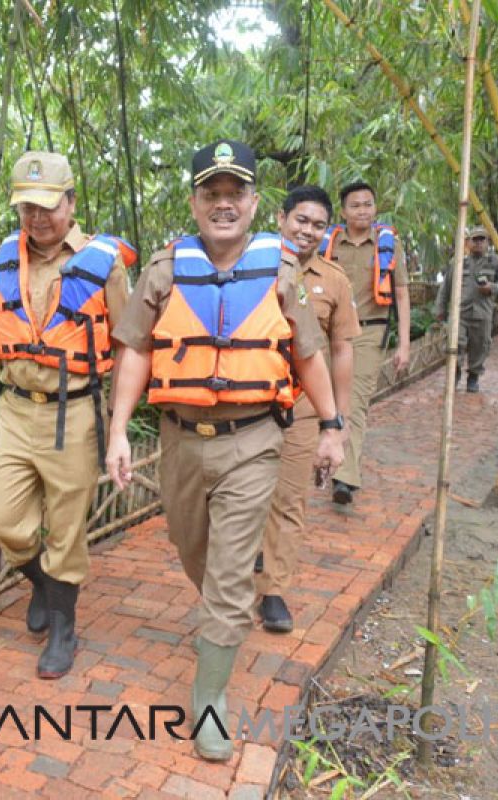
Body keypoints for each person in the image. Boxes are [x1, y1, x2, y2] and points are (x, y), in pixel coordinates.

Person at [105, 141, 345, 762]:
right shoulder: (164, 270)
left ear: (254, 201)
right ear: (194, 202)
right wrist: (117, 431)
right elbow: (134, 351)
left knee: (233, 571)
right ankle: (221, 618)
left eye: (234, 193)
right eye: (210, 193)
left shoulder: (281, 271)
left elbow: (308, 355)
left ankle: (210, 699)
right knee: (194, 551)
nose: (223, 204)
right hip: (182, 441)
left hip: (254, 441)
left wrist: (332, 427)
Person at [0, 151, 134, 679]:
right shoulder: (3, 260)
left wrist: (119, 429)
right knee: (2, 521)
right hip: (16, 408)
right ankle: (40, 582)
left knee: (66, 528)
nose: (37, 219)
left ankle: (63, 626)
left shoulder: (103, 264)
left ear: (71, 202)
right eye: (26, 209)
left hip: (75, 410)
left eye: (47, 207)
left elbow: (129, 347)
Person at [255, 186, 359, 634]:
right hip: (249, 403)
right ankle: (243, 566)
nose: (308, 231)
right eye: (301, 220)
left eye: (318, 225)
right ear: (281, 218)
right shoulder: (249, 263)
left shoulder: (333, 279)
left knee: (289, 498)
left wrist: (336, 423)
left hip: (299, 407)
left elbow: (341, 351)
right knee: (241, 495)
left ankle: (273, 590)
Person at [320, 181, 411, 505]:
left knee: (355, 403)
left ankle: (345, 478)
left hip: (368, 333)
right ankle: (325, 457)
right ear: (343, 211)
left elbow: (401, 292)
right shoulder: (326, 243)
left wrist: (403, 345)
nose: (363, 210)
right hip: (328, 332)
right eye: (355, 205)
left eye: (368, 204)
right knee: (323, 401)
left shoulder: (387, 245)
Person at [436, 225, 498, 392]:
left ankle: (473, 377)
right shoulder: (458, 263)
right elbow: (445, 288)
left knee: (480, 347)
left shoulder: (495, 262)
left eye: (481, 239)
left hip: (483, 313)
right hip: (460, 314)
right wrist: (440, 310)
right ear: (468, 242)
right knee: (455, 345)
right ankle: (453, 376)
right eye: (474, 240)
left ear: (487, 242)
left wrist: (492, 288)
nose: (478, 243)